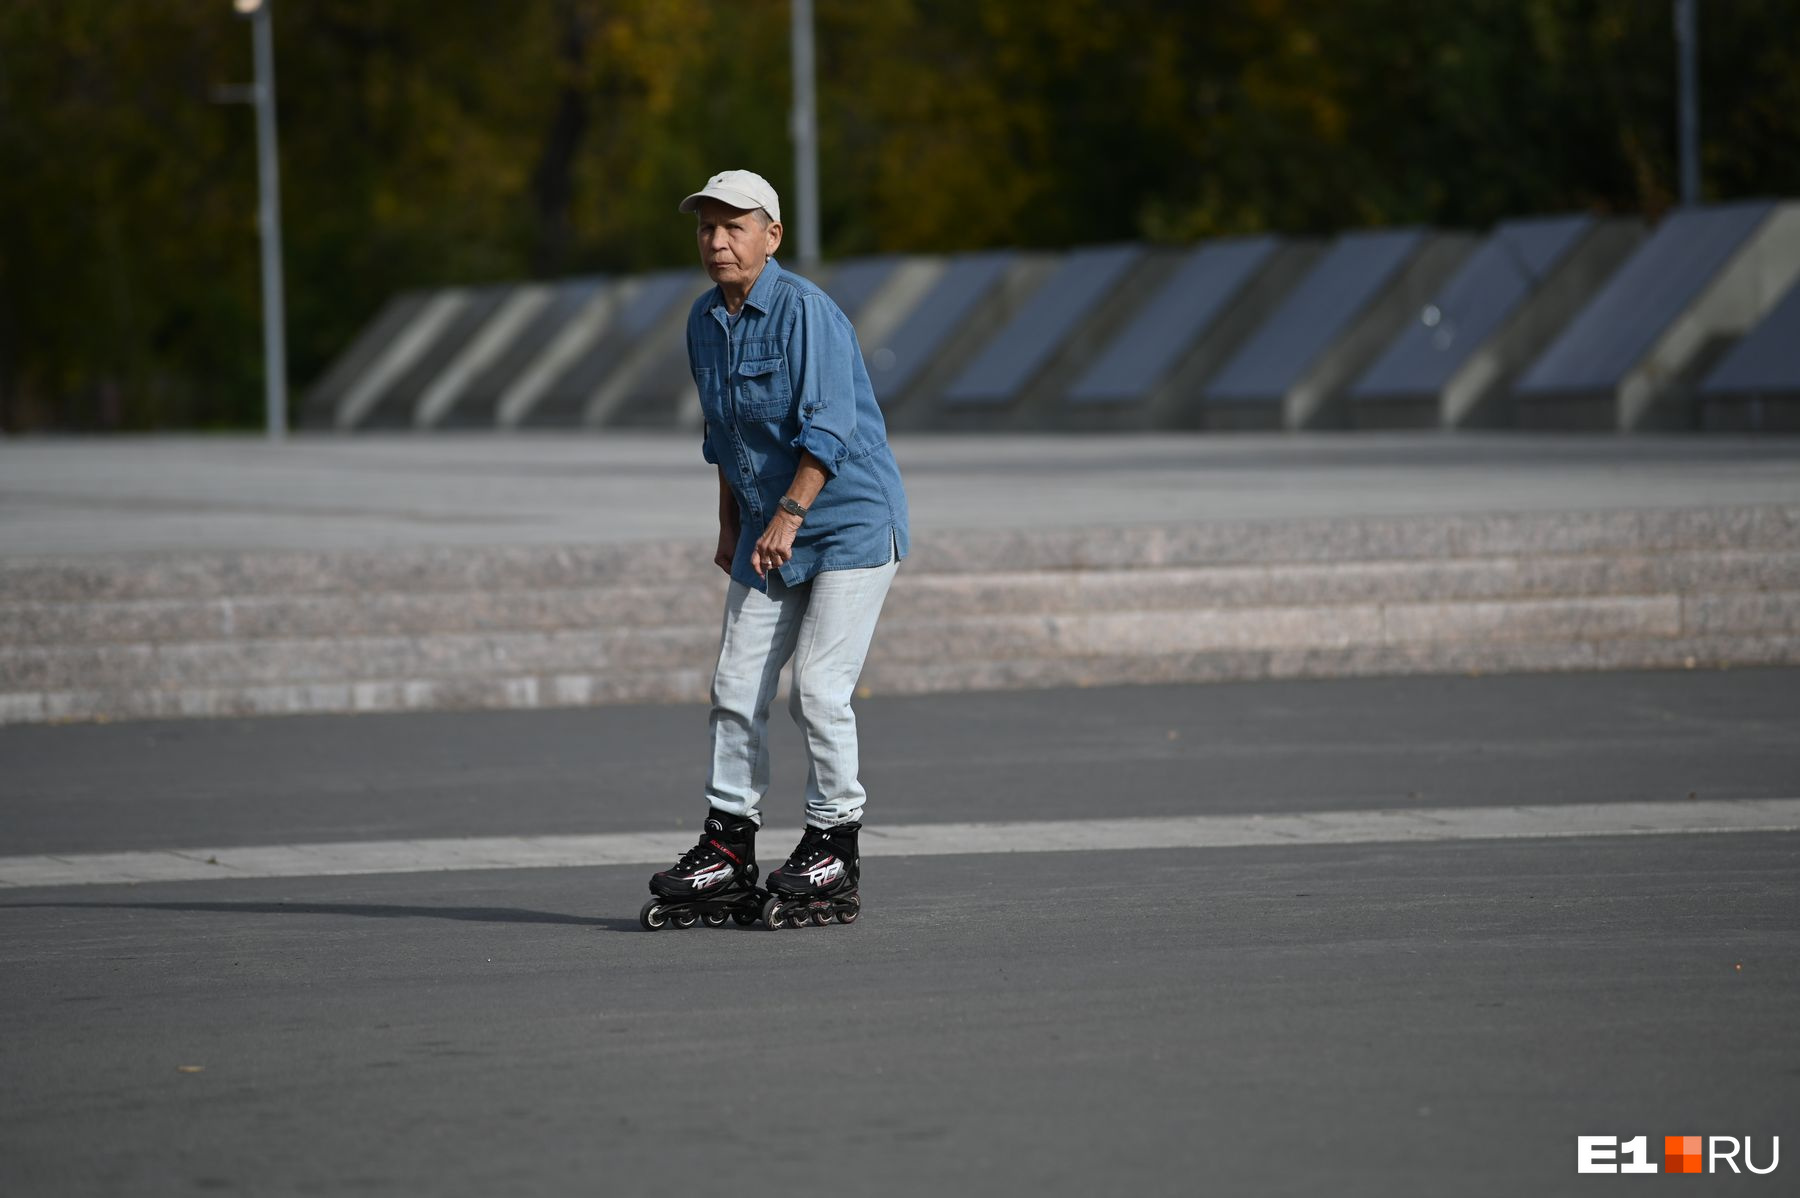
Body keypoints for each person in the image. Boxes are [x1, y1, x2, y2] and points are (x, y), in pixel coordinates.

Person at [643, 169, 909, 931]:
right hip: (767, 530)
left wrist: (787, 517)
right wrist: (730, 523)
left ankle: (834, 844)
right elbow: (724, 435)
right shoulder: (704, 320)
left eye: (735, 226)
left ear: (773, 235)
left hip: (849, 524)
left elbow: (830, 429)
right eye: (707, 228)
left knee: (818, 691)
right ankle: (728, 847)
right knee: (734, 687)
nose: (718, 241)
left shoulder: (806, 311)